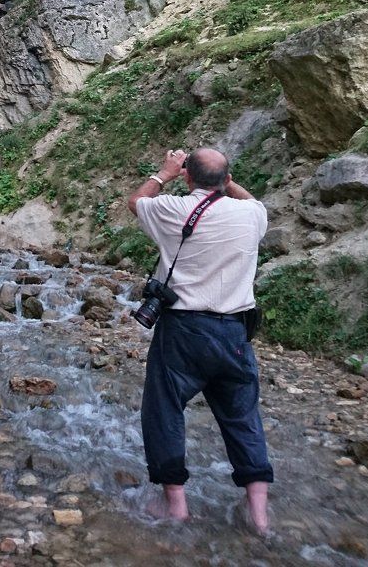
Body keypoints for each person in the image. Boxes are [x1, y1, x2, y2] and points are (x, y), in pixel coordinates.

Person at [127, 147, 273, 533]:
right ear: (227, 180)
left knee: (165, 409)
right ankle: (258, 514)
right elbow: (251, 199)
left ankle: (175, 506)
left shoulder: (172, 209)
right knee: (243, 417)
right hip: (234, 332)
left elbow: (137, 200)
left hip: (183, 330)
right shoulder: (252, 215)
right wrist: (224, 180)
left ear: (188, 177)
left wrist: (166, 171)